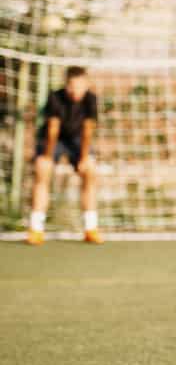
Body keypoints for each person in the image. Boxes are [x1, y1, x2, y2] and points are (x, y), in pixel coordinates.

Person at [28, 66, 103, 246]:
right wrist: (47, 156)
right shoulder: (55, 97)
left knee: (90, 172)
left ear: (86, 85)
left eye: (80, 86)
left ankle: (91, 228)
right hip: (54, 139)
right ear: (66, 85)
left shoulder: (91, 100)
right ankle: (36, 229)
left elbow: (87, 130)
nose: (76, 91)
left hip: (77, 140)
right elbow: (53, 129)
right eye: (72, 86)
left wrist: (84, 158)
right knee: (42, 171)